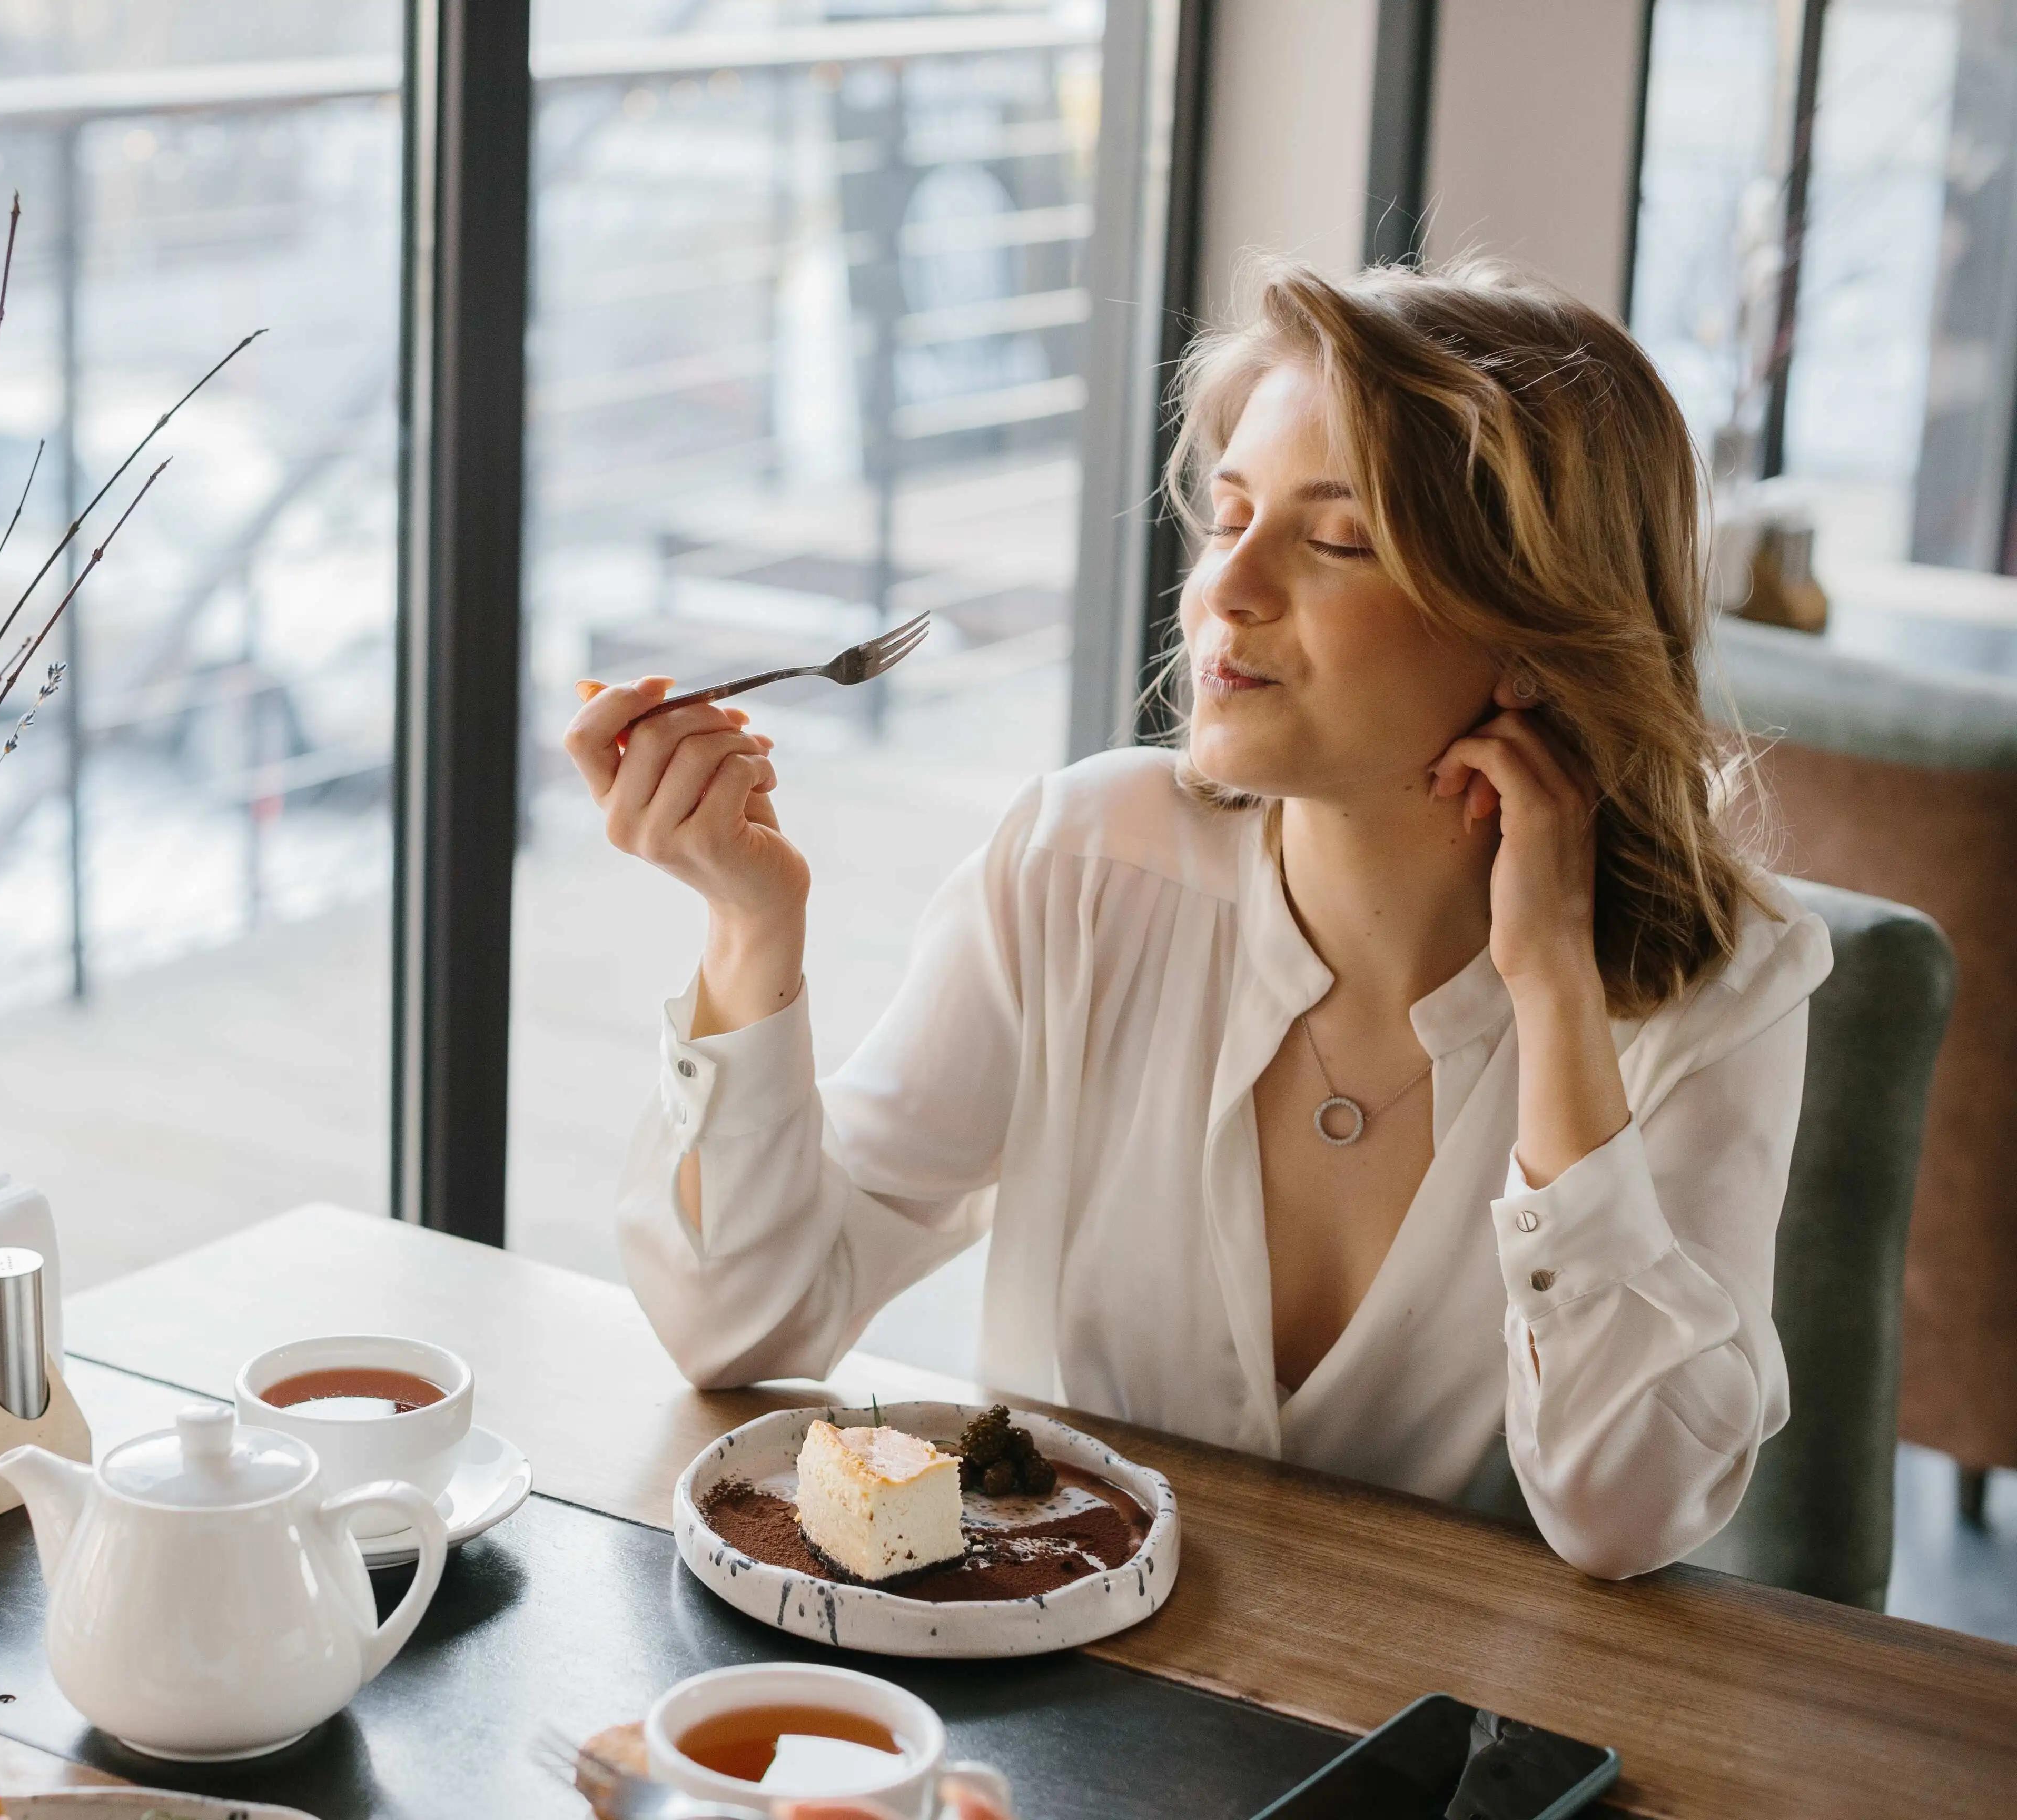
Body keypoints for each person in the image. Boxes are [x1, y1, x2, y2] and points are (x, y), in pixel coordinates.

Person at [567, 261, 1829, 1581]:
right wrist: (750, 926)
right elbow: (745, 1325)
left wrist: (1556, 988)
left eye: (1336, 540)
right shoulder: (1082, 863)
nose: (1228, 585)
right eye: (1230, 517)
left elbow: (1627, 1516)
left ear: (1533, 635)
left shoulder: (1723, 982)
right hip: (1037, 1677)